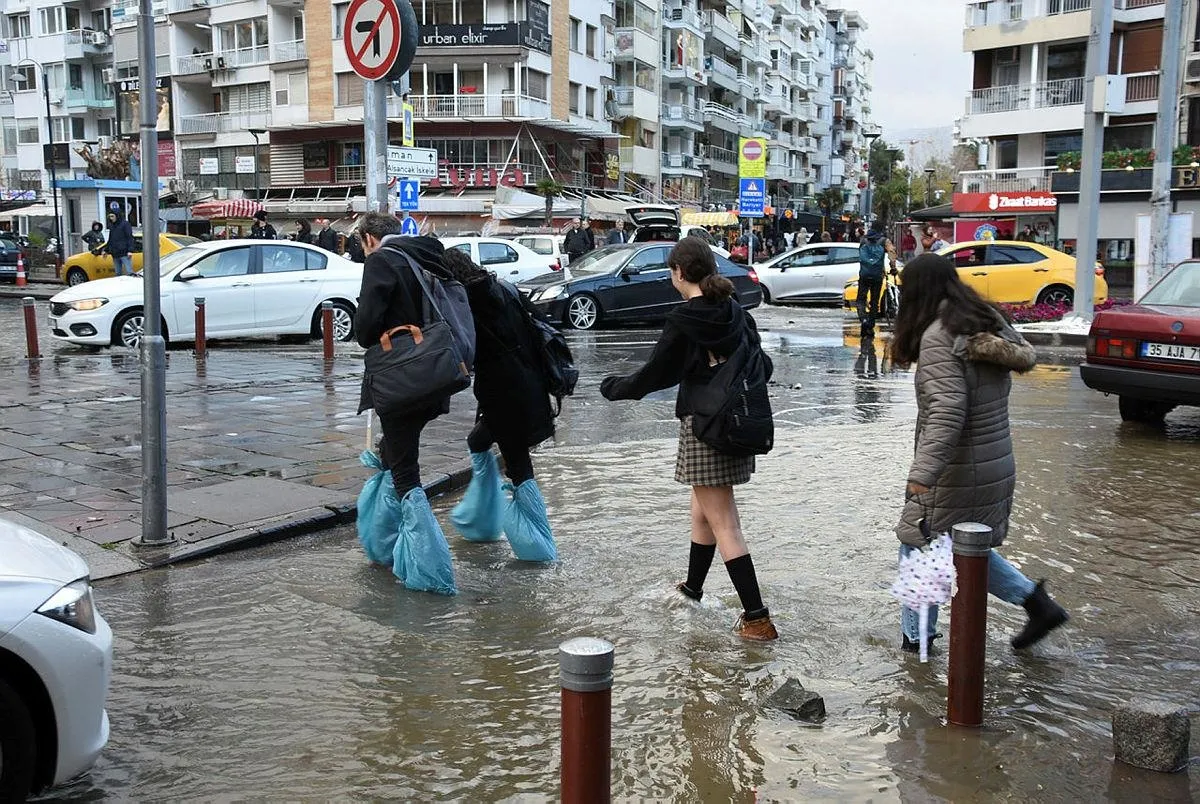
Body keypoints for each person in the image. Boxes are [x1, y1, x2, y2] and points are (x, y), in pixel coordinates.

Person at [600, 236, 778, 641]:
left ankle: (757, 618)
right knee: (702, 510)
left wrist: (615, 388)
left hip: (705, 428)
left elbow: (656, 373)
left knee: (725, 523)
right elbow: (762, 365)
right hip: (735, 424)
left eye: (671, 272)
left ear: (679, 273)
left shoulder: (685, 318)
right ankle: (692, 589)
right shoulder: (734, 310)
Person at [890, 253, 1069, 654]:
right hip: (993, 461)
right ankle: (1038, 605)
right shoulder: (982, 321)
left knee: (918, 541)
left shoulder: (939, 336)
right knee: (959, 546)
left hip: (956, 467)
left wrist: (922, 474)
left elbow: (946, 413)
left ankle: (917, 648)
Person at [354, 213, 459, 591]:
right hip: (434, 373)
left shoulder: (382, 259)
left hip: (401, 377)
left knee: (404, 471)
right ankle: (386, 546)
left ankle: (428, 570)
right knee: (394, 453)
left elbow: (366, 329)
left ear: (369, 238)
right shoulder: (425, 254)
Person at [440, 248, 558, 559]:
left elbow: (465, 349)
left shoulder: (468, 303)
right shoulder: (503, 287)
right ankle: (493, 520)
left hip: (504, 393)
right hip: (527, 383)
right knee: (479, 441)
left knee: (518, 464)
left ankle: (538, 545)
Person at [857, 227, 898, 337]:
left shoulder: (863, 240)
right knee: (875, 301)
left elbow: (860, 256)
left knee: (861, 299)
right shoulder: (884, 241)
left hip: (864, 275)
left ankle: (864, 320)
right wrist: (893, 268)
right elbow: (892, 254)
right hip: (877, 276)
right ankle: (870, 325)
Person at [104, 209, 135, 277]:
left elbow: (129, 237)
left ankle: (132, 285)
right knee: (118, 273)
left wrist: (130, 250)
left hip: (124, 252)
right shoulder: (112, 226)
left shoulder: (125, 224)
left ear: (117, 216)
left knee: (129, 272)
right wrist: (106, 250)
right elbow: (111, 239)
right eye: (110, 216)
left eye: (112, 216)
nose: (111, 218)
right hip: (115, 253)